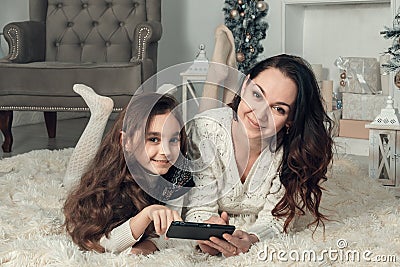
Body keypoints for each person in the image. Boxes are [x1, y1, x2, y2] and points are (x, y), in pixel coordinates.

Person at [184, 54, 334, 257]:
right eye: (257, 95)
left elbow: (277, 219)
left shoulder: (294, 153)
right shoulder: (204, 131)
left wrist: (252, 239)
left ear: (290, 120)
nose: (260, 113)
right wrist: (207, 231)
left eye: (278, 109)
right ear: (245, 85)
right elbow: (197, 207)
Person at [63, 84, 193, 253]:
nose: (166, 152)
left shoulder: (179, 173)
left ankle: (156, 98)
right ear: (126, 142)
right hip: (106, 175)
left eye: (173, 140)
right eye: (153, 139)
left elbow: (169, 230)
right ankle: (100, 113)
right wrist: (146, 215)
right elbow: (101, 242)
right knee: (72, 181)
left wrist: (150, 245)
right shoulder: (109, 181)